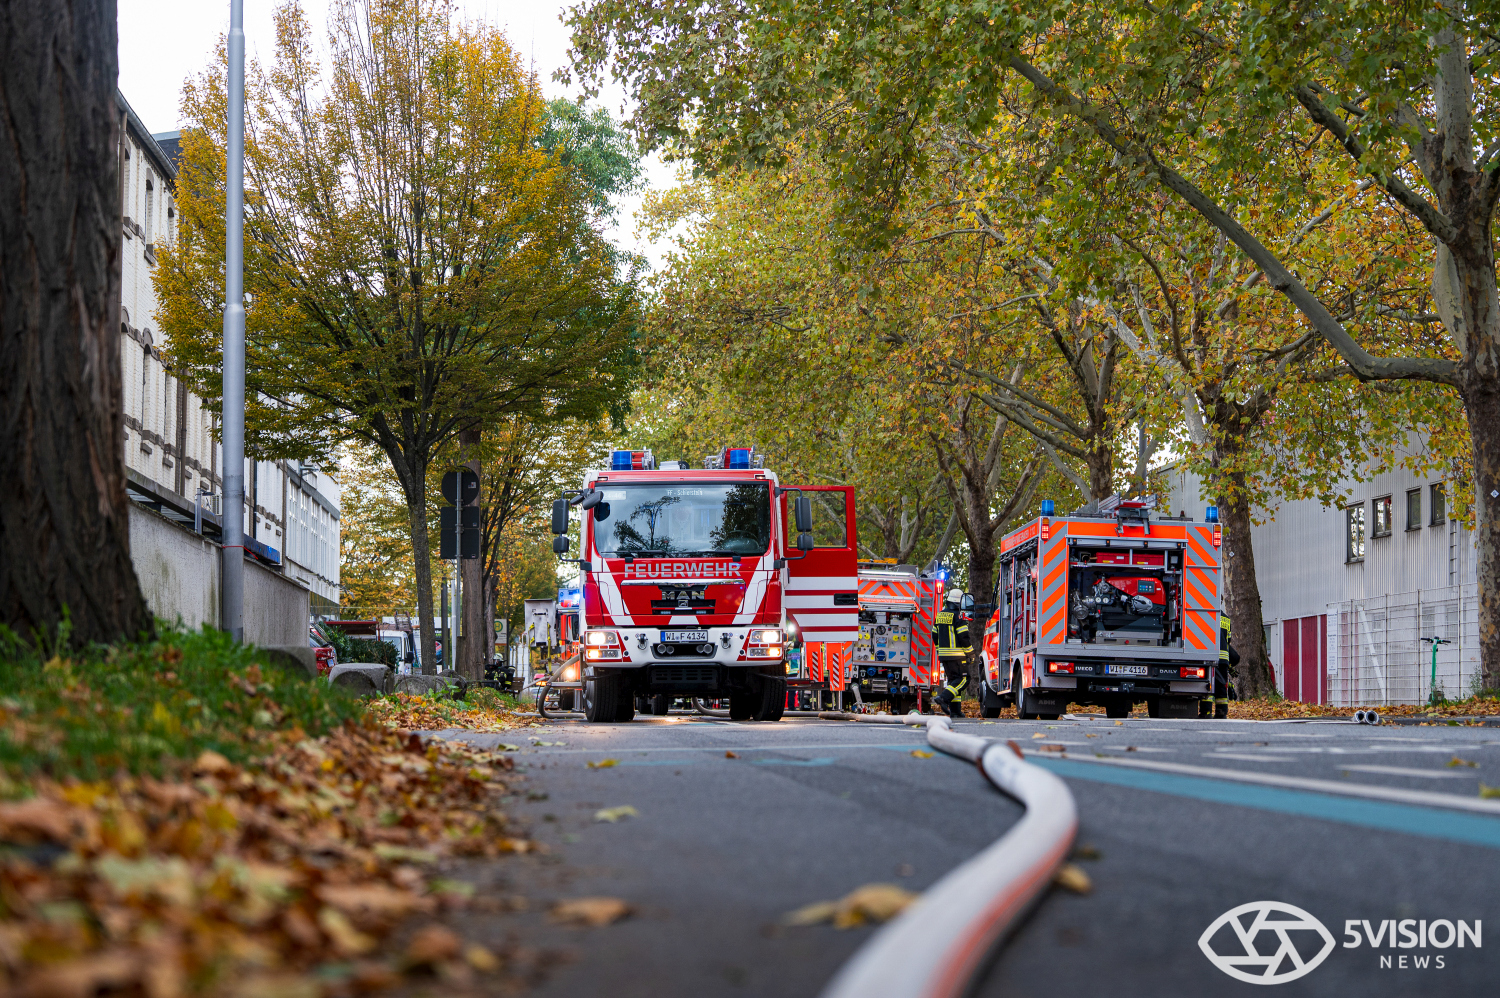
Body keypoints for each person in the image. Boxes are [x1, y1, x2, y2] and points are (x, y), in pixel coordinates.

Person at [932, 588, 971, 718]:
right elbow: (963, 636)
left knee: (953, 681)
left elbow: (934, 634)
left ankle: (955, 711)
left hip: (944, 655)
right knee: (964, 679)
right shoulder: (958, 617)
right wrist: (970, 653)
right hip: (957, 655)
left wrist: (939, 649)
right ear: (958, 603)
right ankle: (943, 698)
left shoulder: (940, 615)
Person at [1203, 612, 1238, 718]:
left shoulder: (1206, 614)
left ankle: (1206, 712)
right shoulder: (1226, 618)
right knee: (1222, 686)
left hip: (1208, 656)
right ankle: (1221, 712)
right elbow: (1228, 639)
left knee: (1207, 685)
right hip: (1223, 658)